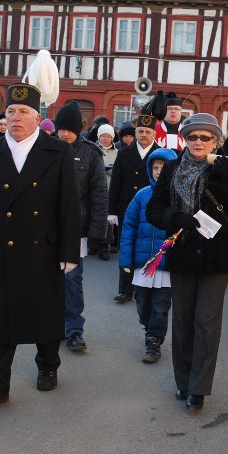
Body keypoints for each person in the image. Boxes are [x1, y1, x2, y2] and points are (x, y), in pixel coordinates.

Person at [0, 83, 80, 414]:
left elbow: (68, 206)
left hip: (44, 249)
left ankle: (48, 367)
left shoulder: (57, 151)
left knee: (45, 314)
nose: (16, 118)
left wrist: (69, 251)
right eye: (11, 112)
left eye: (24, 112)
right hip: (2, 249)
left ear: (37, 117)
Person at [146, 113, 228, 411]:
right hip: (182, 252)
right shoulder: (170, 168)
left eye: (205, 137)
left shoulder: (226, 168)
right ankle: (183, 381)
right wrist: (175, 218)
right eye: (192, 137)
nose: (198, 142)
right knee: (182, 320)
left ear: (216, 142)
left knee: (206, 321)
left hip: (217, 256)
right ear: (185, 139)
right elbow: (154, 210)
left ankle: (199, 388)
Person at [54, 101, 109, 352]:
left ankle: (74, 328)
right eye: (61, 128)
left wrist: (97, 231)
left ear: (79, 129)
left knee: (72, 278)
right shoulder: (46, 149)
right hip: (47, 226)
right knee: (47, 278)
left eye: (70, 129)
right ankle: (52, 325)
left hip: (77, 227)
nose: (64, 133)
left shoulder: (91, 153)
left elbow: (99, 194)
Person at [119, 148, 178, 363]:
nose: (158, 171)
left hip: (165, 264)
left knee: (160, 306)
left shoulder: (178, 197)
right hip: (143, 263)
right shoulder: (141, 195)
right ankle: (149, 328)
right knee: (142, 302)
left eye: (163, 168)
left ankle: (154, 340)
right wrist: (126, 259)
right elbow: (129, 227)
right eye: (155, 167)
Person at [108, 104, 161, 303]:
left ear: (154, 134)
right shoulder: (124, 153)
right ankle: (125, 289)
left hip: (152, 208)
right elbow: (116, 184)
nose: (143, 135)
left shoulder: (160, 154)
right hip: (127, 208)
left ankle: (148, 288)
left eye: (148, 131)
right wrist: (112, 211)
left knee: (149, 247)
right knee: (127, 247)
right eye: (140, 131)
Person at [97, 123, 119, 257]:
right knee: (95, 216)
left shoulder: (117, 153)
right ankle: (94, 243)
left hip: (110, 188)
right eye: (103, 136)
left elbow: (119, 171)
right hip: (95, 188)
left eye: (108, 136)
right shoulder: (93, 149)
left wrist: (110, 170)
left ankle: (104, 245)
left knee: (108, 218)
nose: (106, 139)